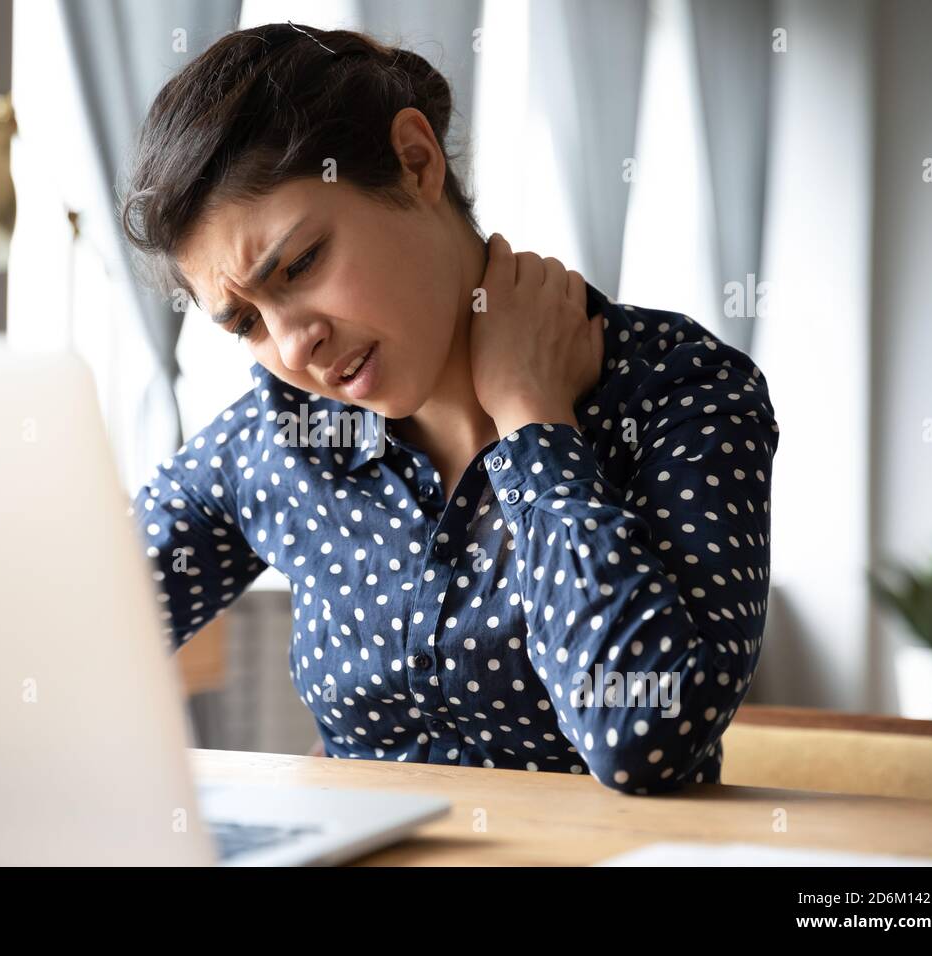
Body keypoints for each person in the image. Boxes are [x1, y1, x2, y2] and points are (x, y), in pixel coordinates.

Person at [118, 22, 780, 794]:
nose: (294, 345)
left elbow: (644, 741)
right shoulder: (277, 440)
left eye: (301, 263)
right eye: (247, 323)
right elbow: (77, 643)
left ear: (415, 161)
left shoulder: (680, 389)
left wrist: (533, 417)